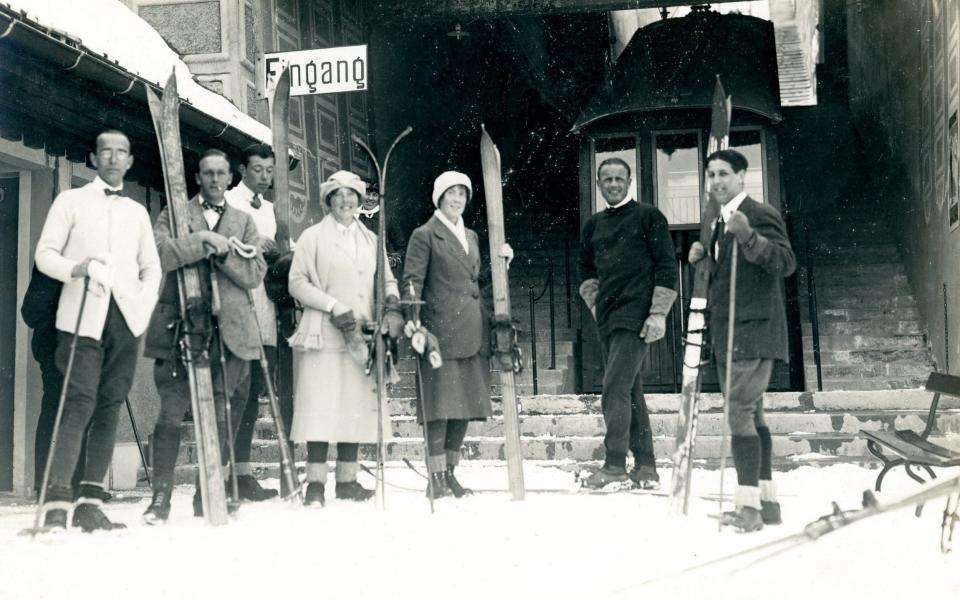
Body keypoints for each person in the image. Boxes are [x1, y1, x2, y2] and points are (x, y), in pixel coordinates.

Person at [33, 129, 162, 531]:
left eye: (120, 152)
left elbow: (151, 267)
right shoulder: (69, 201)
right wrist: (76, 268)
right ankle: (57, 502)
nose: (112, 158)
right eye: (105, 151)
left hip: (125, 320)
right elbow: (44, 255)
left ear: (129, 162)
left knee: (109, 404)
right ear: (93, 158)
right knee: (78, 403)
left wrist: (140, 308)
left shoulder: (137, 212)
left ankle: (90, 501)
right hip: (81, 317)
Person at [142, 149, 266, 524]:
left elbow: (254, 272)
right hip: (181, 328)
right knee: (170, 415)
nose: (214, 180)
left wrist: (225, 255)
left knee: (222, 415)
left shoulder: (244, 221)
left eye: (221, 174)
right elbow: (161, 253)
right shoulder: (176, 214)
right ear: (197, 178)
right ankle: (160, 498)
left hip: (230, 334)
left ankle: (207, 492)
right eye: (208, 173)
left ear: (230, 179)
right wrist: (204, 241)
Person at [688, 148, 796, 532]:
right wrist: (704, 261)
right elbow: (730, 279)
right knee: (753, 414)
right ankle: (768, 504)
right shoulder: (718, 223)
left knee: (738, 414)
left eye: (723, 174)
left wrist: (749, 235)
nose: (716, 181)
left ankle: (748, 509)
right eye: (711, 175)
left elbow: (784, 263)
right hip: (729, 332)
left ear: (742, 177)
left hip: (753, 331)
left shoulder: (759, 213)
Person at [287, 170, 403, 506]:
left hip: (360, 337)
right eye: (338, 194)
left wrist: (393, 304)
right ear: (328, 200)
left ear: (360, 200)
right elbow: (297, 283)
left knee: (354, 406)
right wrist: (332, 305)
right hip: (323, 334)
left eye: (351, 194)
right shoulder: (312, 238)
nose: (345, 200)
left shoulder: (371, 240)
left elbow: (387, 281)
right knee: (319, 408)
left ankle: (348, 481)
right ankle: (315, 486)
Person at [401, 171, 512, 499]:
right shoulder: (425, 235)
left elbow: (474, 283)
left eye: (462, 193)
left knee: (463, 406)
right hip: (440, 333)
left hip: (472, 331)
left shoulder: (472, 237)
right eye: (451, 193)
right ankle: (434, 477)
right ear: (438, 197)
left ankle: (450, 474)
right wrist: (415, 323)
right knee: (440, 407)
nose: (457, 199)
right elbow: (411, 281)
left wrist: (503, 262)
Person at [578, 157, 677, 491]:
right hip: (607, 318)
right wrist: (595, 306)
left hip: (636, 316)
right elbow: (586, 274)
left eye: (619, 178)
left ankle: (615, 465)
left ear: (630, 180)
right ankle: (646, 466)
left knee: (614, 389)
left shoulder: (648, 216)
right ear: (598, 184)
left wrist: (658, 313)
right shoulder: (593, 225)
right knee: (630, 391)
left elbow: (666, 266)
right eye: (606, 179)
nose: (613, 184)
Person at [225, 143, 281, 502]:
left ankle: (243, 474)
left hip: (266, 310)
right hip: (237, 310)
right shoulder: (229, 202)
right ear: (243, 169)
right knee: (234, 395)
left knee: (253, 398)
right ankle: (223, 473)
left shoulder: (274, 209)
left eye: (269, 170)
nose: (264, 176)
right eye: (257, 169)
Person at [21, 265, 89, 500]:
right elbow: (31, 312)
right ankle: (48, 484)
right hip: (55, 346)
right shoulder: (50, 259)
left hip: (84, 346)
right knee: (56, 409)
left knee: (80, 411)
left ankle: (74, 483)